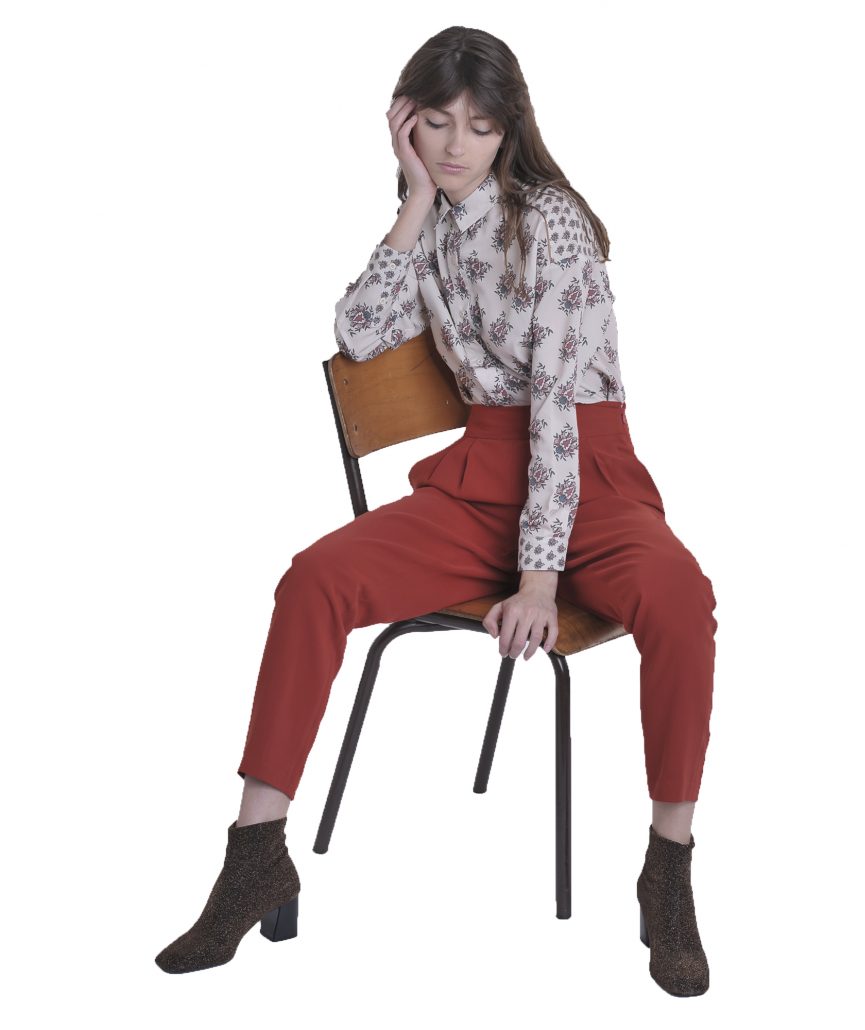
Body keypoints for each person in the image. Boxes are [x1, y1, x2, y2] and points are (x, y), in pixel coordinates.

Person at [155, 26, 718, 997]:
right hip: (475, 486)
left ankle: (667, 871)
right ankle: (255, 854)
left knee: (680, 601)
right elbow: (357, 334)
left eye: (481, 127)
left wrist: (537, 580)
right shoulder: (430, 222)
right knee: (313, 579)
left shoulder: (550, 224)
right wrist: (412, 202)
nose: (458, 145)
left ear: (511, 131)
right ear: (405, 122)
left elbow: (554, 412)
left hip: (586, 475)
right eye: (438, 124)